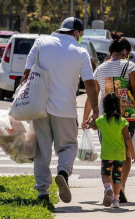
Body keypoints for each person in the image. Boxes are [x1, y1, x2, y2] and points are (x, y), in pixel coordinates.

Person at [21, 17, 99, 203]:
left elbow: (26, 75)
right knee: (69, 146)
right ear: (75, 33)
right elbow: (89, 83)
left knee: (42, 150)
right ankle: (63, 172)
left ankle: (42, 192)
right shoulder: (80, 51)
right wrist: (95, 110)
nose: (80, 37)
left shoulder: (40, 43)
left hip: (39, 108)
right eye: (80, 34)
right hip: (65, 109)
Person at [82, 31, 135, 203]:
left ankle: (111, 189)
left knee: (109, 153)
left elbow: (93, 96)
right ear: (125, 52)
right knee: (125, 154)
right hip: (127, 118)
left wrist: (86, 117)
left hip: (105, 119)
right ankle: (119, 189)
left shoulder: (99, 69)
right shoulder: (130, 66)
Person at [88, 92, 135, 208]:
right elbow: (127, 138)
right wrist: (132, 151)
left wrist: (91, 121)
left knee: (105, 173)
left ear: (104, 106)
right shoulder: (122, 121)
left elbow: (93, 126)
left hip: (106, 154)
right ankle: (115, 200)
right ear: (118, 106)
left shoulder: (101, 120)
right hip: (119, 155)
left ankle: (107, 188)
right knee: (117, 177)